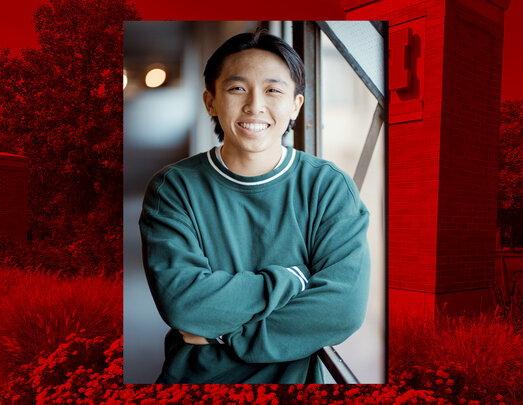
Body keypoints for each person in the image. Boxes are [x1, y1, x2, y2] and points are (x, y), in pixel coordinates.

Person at [139, 29, 370, 384]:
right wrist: (291, 278)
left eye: (273, 90)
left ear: (296, 104)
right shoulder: (174, 188)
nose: (255, 106)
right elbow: (183, 302)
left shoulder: (327, 187)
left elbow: (342, 309)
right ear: (210, 101)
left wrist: (224, 334)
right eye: (237, 88)